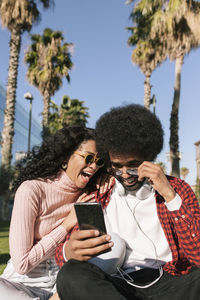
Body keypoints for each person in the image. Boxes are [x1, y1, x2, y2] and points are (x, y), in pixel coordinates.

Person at [55, 104, 200, 300]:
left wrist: (169, 195)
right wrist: (68, 251)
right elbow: (64, 254)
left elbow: (197, 254)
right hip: (119, 286)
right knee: (70, 275)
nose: (125, 174)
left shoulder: (178, 188)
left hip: (171, 282)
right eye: (117, 166)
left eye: (132, 165)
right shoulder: (98, 194)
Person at [0, 125, 106, 300]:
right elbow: (21, 264)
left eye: (99, 161)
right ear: (65, 157)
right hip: (21, 285)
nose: (94, 166)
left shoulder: (90, 193)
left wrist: (108, 178)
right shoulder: (32, 190)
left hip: (63, 284)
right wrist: (66, 225)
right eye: (88, 158)